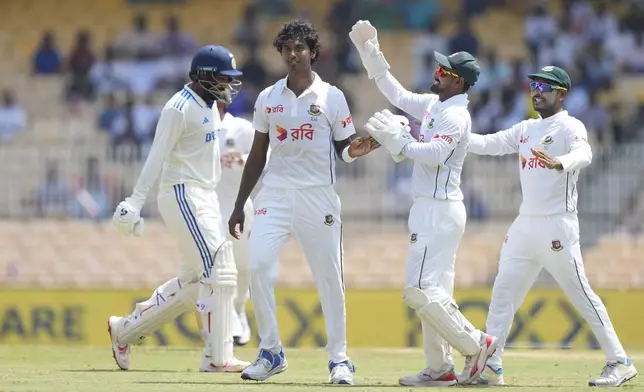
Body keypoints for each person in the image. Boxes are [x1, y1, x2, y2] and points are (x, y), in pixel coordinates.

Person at [228, 20, 378, 385]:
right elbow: (258, 155)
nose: (293, 55)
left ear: (313, 52)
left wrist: (358, 150)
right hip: (275, 196)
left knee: (329, 278)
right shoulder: (267, 98)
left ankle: (340, 359)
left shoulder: (332, 97)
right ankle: (271, 351)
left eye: (300, 48)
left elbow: (344, 150)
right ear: (280, 53)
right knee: (259, 267)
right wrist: (238, 205)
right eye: (287, 49)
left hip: (318, 197)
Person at [467, 66, 638, 388]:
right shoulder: (525, 129)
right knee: (503, 295)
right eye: (534, 84)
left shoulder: (570, 125)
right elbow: (487, 143)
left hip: (557, 224)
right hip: (524, 224)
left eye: (545, 86)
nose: (537, 91)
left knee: (580, 293)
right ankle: (492, 366)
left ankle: (619, 361)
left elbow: (585, 152)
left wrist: (562, 161)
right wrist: (451, 136)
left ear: (562, 93)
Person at [350, 20, 498, 387]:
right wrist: (372, 53)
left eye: (443, 71)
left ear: (459, 81)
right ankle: (440, 368)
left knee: (418, 289)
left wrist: (398, 143)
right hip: (429, 207)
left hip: (440, 208)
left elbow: (435, 154)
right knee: (434, 294)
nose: (436, 74)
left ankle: (478, 345)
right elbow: (396, 94)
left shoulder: (455, 114)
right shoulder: (435, 103)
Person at [108, 45, 250, 373]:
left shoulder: (211, 105)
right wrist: (134, 201)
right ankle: (217, 357)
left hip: (205, 197)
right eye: (222, 78)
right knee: (220, 268)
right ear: (202, 75)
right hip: (183, 195)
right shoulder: (179, 107)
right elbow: (156, 155)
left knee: (193, 285)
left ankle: (125, 330)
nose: (228, 85)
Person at [216, 101, 256, 346]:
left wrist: (241, 158)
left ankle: (239, 309)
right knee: (220, 266)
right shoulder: (198, 128)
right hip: (208, 206)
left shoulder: (240, 127)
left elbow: (267, 153)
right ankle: (227, 318)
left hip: (239, 206)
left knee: (242, 265)